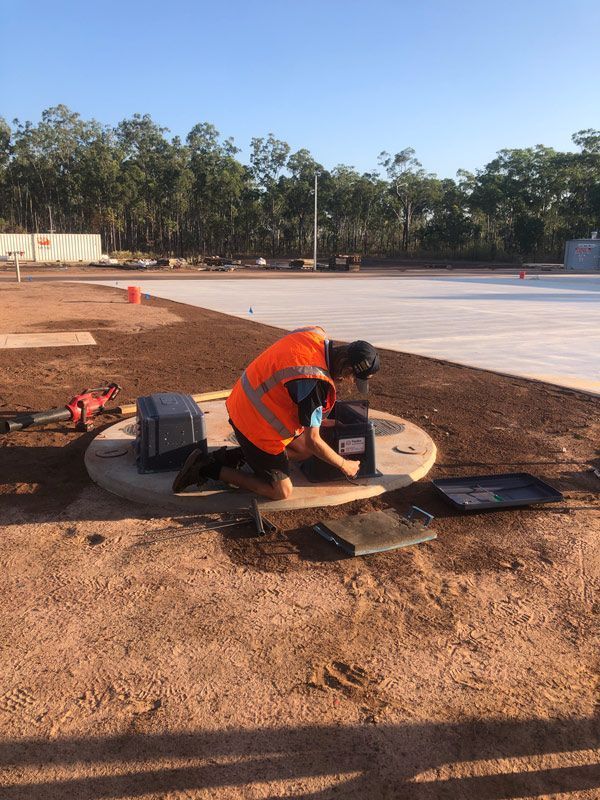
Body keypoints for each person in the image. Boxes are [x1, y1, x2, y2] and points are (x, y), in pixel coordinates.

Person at [172, 325, 380, 500]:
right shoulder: (314, 381)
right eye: (353, 377)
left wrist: (322, 423)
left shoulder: (314, 335)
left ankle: (237, 457)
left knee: (303, 451)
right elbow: (313, 442)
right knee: (281, 491)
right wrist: (345, 465)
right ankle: (206, 468)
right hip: (252, 423)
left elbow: (288, 396)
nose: (349, 381)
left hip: (242, 402)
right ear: (346, 367)